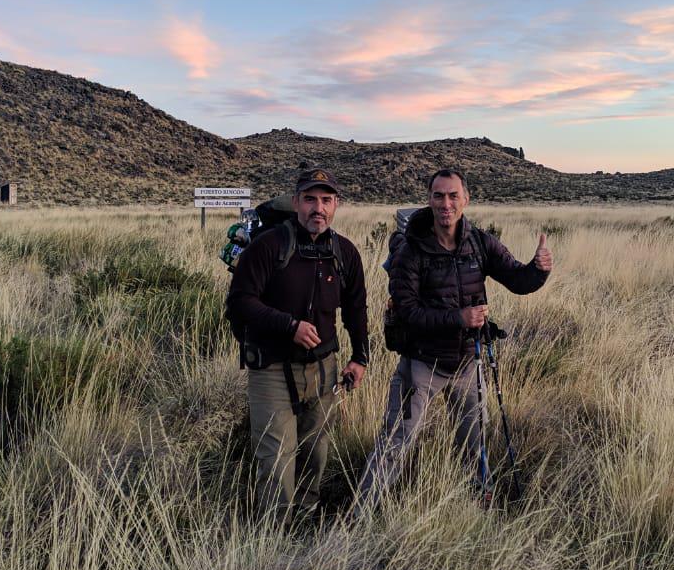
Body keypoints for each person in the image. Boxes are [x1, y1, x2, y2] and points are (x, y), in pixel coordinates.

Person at [356, 167, 552, 511]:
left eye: (452, 195)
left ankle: (478, 509)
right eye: (438, 196)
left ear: (465, 199)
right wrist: (458, 318)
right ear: (429, 200)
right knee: (395, 442)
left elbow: (518, 281)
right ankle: (361, 515)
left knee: (474, 443)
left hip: (467, 363)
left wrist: (539, 269)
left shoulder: (479, 242)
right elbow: (408, 312)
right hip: (420, 364)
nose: (446, 203)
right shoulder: (410, 252)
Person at [226, 168, 369, 516]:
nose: (317, 208)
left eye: (325, 200)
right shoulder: (269, 246)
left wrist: (360, 357)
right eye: (309, 199)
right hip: (272, 368)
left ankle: (306, 517)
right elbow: (240, 302)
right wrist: (289, 326)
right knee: (275, 456)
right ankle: (275, 533)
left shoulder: (345, 252)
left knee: (316, 449)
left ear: (336, 206)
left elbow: (355, 309)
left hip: (323, 369)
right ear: (295, 203)